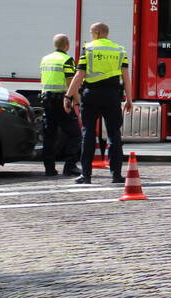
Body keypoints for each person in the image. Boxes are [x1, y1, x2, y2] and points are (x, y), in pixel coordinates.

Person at [65, 22, 132, 185]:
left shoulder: (88, 49)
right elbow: (125, 76)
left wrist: (68, 96)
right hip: (112, 95)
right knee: (114, 134)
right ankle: (116, 175)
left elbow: (79, 75)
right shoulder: (120, 50)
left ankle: (86, 175)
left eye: (91, 32)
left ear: (96, 32)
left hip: (91, 95)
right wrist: (129, 98)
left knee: (88, 133)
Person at [38, 34, 82, 177]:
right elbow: (71, 83)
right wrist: (77, 101)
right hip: (61, 101)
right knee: (75, 134)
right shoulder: (67, 60)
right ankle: (70, 166)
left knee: (49, 136)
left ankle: (49, 169)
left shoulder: (45, 59)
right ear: (67, 45)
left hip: (46, 100)